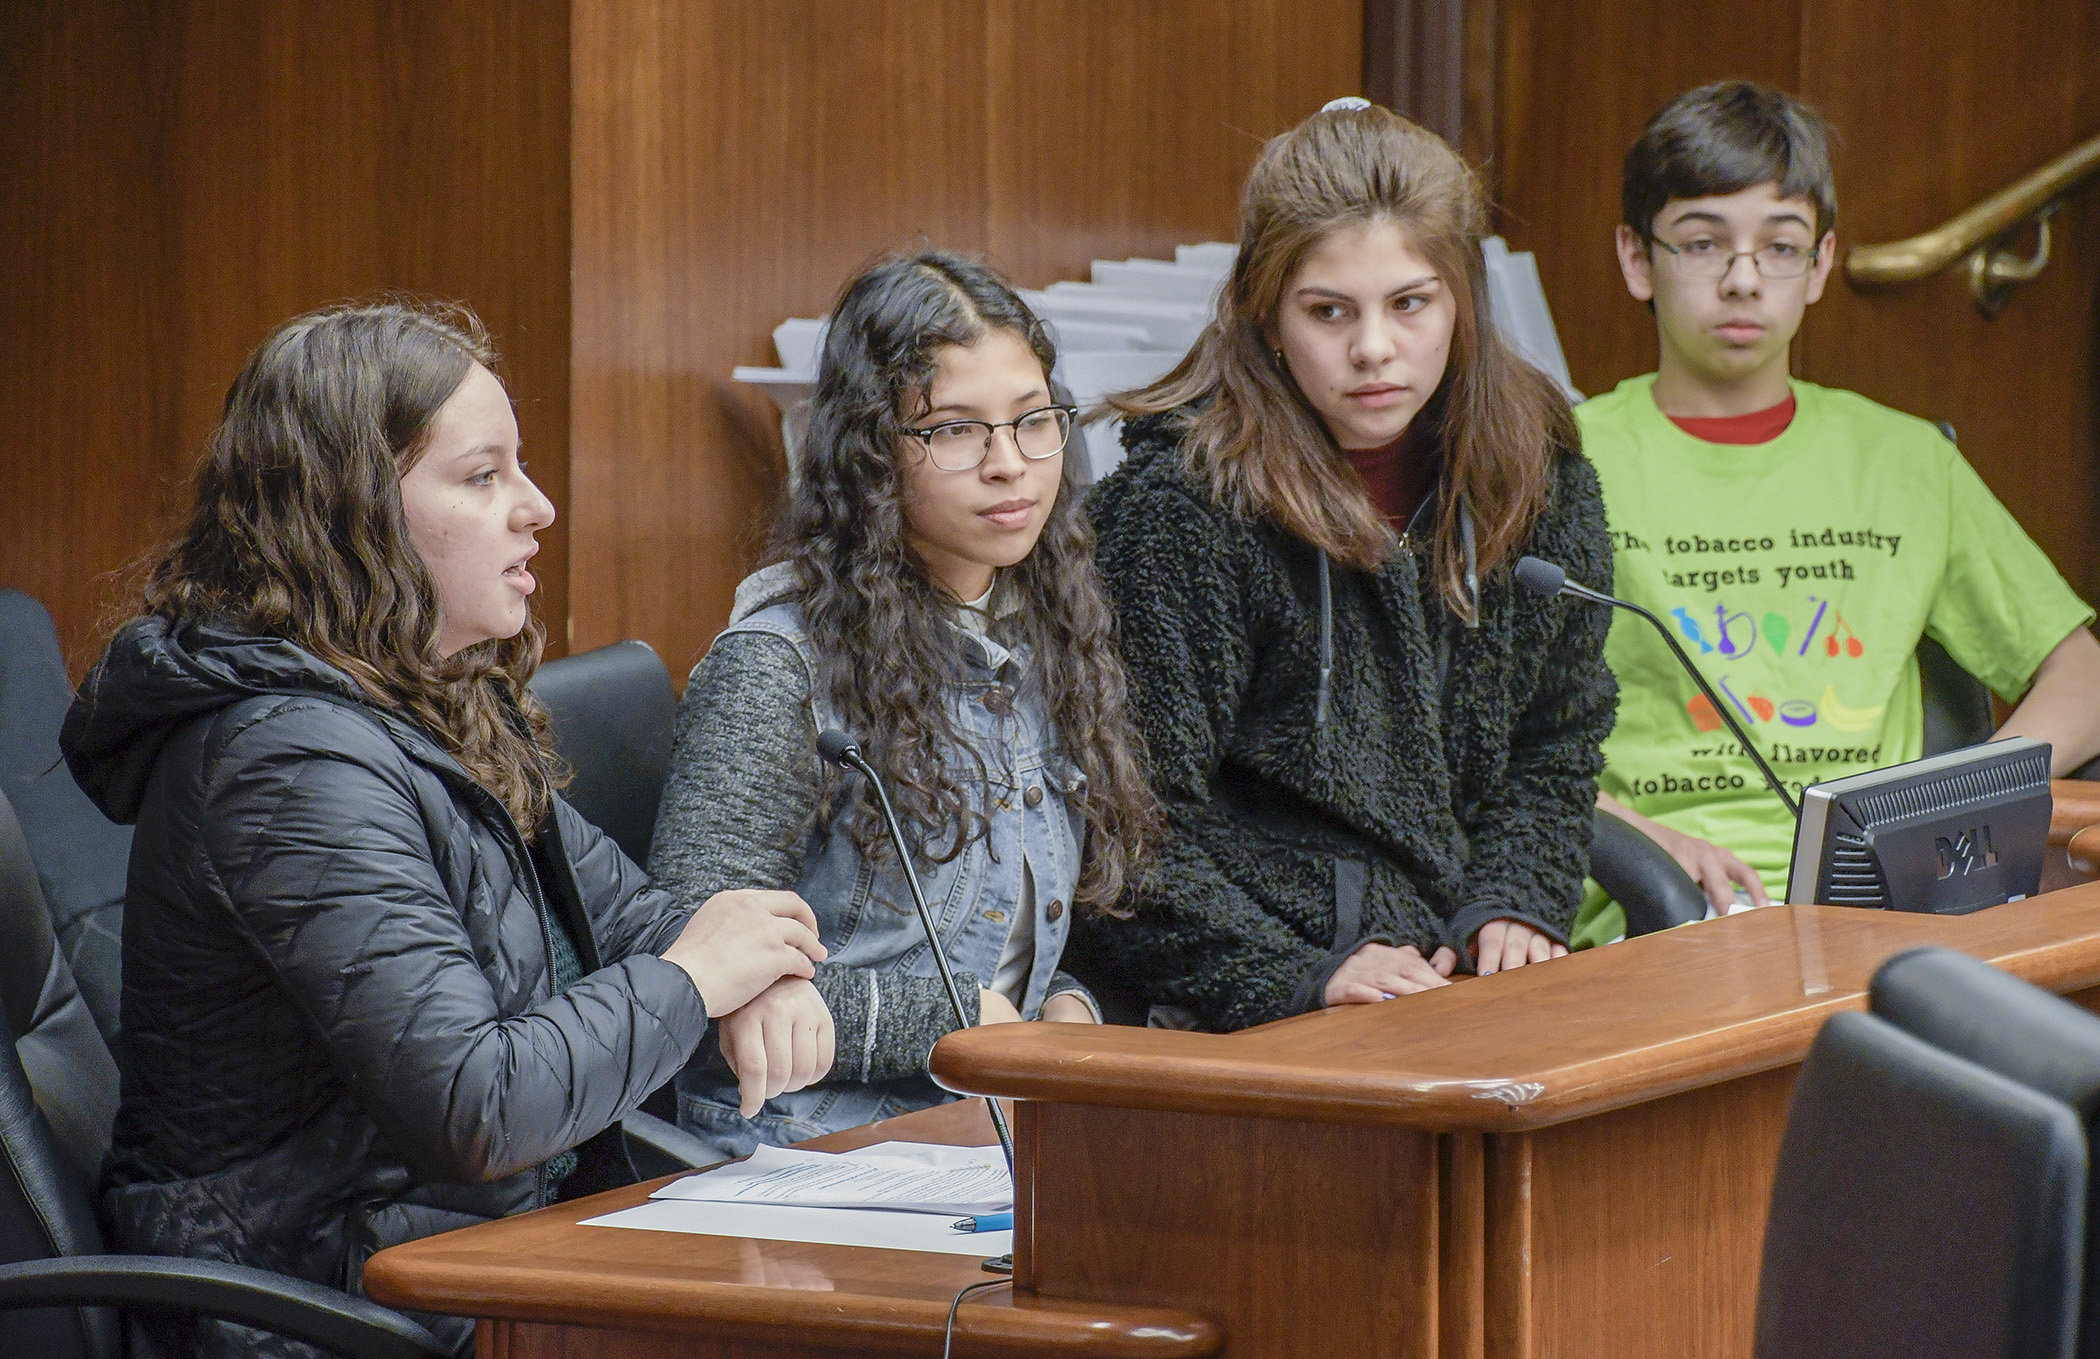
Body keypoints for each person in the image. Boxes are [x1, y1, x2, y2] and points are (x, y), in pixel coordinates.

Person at [60, 303, 831, 1359]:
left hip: (478, 1268)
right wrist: (699, 980)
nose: (538, 507)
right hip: (321, 1312)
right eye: (483, 477)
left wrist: (754, 970)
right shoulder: (285, 763)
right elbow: (479, 1107)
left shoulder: (435, 705)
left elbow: (635, 921)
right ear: (350, 514)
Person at [1061, 101, 1614, 1034]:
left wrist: (1518, 896)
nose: (1373, 350)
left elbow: (1555, 741)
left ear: (1462, 303)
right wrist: (1304, 973)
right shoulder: (1179, 512)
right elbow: (1125, 839)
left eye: (1410, 303)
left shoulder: (1533, 471)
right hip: (1260, 991)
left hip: (1460, 972)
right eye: (1329, 312)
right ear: (1267, 316)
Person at [648, 253, 1158, 1159]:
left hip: (988, 1123)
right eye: (958, 431)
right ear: (874, 452)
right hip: (807, 1146)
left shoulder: (1047, 632)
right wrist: (962, 1019)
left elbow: (1003, 934)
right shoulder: (778, 666)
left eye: (1033, 420)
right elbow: (688, 978)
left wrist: (1065, 1003)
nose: (1010, 466)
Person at [1576, 82, 2100, 943]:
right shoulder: (1564, 462)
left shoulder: (1905, 461)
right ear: (1638, 259)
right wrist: (1644, 839)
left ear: (1820, 266)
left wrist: (1951, 809)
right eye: (1704, 243)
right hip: (1661, 907)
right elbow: (1490, 737)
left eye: (1780, 247)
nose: (1744, 280)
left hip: (1884, 898)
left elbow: (2079, 675)